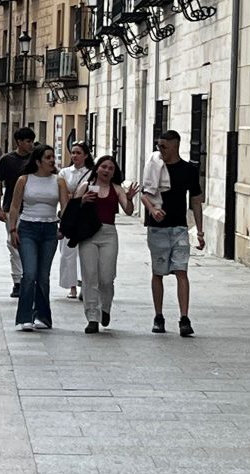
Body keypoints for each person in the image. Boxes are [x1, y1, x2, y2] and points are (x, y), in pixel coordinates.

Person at [142, 130, 204, 336]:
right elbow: (144, 194)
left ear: (175, 146)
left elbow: (196, 201)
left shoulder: (188, 170)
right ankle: (158, 316)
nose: (160, 150)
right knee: (158, 272)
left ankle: (184, 318)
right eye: (159, 146)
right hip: (157, 227)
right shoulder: (154, 165)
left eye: (164, 146)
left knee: (181, 271)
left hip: (179, 227)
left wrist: (200, 231)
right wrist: (152, 209)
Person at [8, 145, 69, 332]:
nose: (52, 160)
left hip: (50, 230)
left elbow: (65, 207)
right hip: (28, 228)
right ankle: (24, 317)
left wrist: (63, 228)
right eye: (48, 157)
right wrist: (12, 230)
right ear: (37, 161)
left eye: (53, 157)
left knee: (43, 276)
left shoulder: (59, 181)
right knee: (29, 273)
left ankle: (42, 316)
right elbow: (15, 206)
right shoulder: (24, 180)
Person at [75, 155, 138, 334]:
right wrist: (82, 201)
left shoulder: (116, 189)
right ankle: (92, 317)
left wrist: (129, 198)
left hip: (108, 234)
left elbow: (128, 211)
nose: (107, 170)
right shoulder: (86, 186)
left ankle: (105, 307)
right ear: (97, 168)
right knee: (89, 276)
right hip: (88, 234)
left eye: (111, 168)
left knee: (106, 277)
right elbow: (72, 208)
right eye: (104, 166)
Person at [0, 127, 36, 298]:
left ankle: (29, 278)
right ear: (19, 142)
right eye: (28, 141)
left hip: (33, 208)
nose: (31, 144)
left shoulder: (36, 159)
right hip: (12, 208)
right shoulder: (7, 160)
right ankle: (18, 281)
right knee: (14, 244)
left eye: (32, 141)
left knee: (30, 245)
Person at [57, 142, 93, 300]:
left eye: (78, 153)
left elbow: (94, 192)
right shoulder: (64, 172)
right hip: (69, 214)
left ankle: (84, 284)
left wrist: (72, 196)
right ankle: (71, 286)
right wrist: (75, 197)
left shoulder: (92, 173)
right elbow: (60, 193)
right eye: (73, 152)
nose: (75, 156)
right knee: (67, 251)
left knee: (86, 251)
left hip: (85, 215)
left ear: (86, 155)